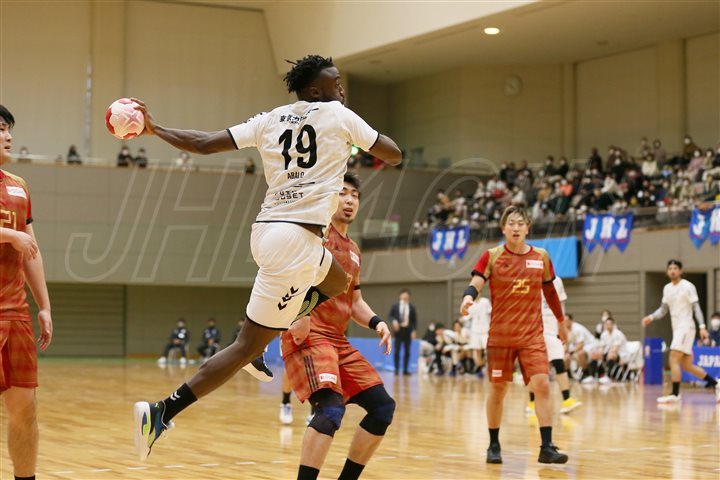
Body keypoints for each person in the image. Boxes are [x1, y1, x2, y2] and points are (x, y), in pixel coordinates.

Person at [132, 54, 402, 461]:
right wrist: (358, 135)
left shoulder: (271, 118)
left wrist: (156, 128)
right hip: (298, 241)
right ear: (316, 90)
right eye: (336, 83)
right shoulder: (339, 114)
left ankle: (164, 411)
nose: (341, 89)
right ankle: (168, 408)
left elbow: (203, 143)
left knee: (335, 282)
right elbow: (394, 153)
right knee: (253, 341)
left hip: (267, 234)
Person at [281, 174, 395, 480]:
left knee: (383, 408)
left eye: (354, 195)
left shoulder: (354, 249)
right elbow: (287, 276)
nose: (349, 200)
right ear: (330, 198)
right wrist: (300, 312)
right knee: (330, 410)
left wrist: (377, 322)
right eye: (342, 193)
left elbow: (354, 300)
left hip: (338, 341)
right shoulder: (315, 234)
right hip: (308, 335)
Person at [459, 205, 568, 464]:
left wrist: (561, 322)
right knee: (498, 390)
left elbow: (550, 292)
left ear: (528, 228)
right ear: (503, 228)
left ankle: (546, 447)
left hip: (532, 336)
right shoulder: (492, 256)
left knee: (542, 385)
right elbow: (476, 281)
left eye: (521, 223)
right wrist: (468, 297)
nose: (516, 227)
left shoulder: (541, 257)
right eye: (511, 223)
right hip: (501, 337)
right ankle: (493, 444)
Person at [0, 104, 54, 480]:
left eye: (9, 129)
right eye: (1, 129)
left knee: (25, 406)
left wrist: (44, 306)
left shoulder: (19, 186)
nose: (9, 136)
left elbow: (31, 250)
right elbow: (18, 239)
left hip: (15, 311)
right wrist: (8, 235)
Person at [642, 260, 719, 403]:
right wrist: (651, 317)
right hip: (677, 329)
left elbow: (696, 307)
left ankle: (675, 394)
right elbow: (663, 309)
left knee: (673, 358)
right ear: (667, 271)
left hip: (686, 327)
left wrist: (702, 326)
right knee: (687, 365)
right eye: (670, 268)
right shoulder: (667, 288)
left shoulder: (688, 286)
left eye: (675, 268)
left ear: (681, 271)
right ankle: (716, 384)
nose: (672, 271)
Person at [528, 277, 582, 414]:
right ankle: (532, 403)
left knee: (559, 365)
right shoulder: (530, 277)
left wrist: (562, 327)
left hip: (553, 332)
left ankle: (567, 400)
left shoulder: (557, 281)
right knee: (535, 369)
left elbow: (561, 306)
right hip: (535, 330)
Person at [388, 288, 417, 375]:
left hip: (408, 331)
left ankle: (405, 369)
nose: (405, 296)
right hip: (398, 331)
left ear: (409, 297)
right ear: (400, 295)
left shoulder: (412, 307)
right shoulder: (395, 306)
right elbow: (390, 316)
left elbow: (414, 321)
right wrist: (394, 321)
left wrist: (413, 331)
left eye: (407, 295)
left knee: (407, 351)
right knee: (397, 350)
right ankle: (396, 369)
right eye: (403, 294)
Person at [565, 314, 597, 380]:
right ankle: (568, 375)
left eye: (566, 320)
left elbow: (581, 344)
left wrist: (570, 353)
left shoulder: (577, 329)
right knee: (565, 356)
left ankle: (585, 373)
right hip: (578, 346)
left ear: (571, 321)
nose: (565, 322)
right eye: (564, 321)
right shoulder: (566, 330)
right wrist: (564, 353)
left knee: (580, 354)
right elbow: (566, 343)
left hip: (590, 345)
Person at [466, 296, 491, 378]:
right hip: (475, 331)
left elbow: (490, 312)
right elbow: (467, 316)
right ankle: (480, 368)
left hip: (485, 330)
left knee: (489, 351)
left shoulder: (485, 301)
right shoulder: (470, 303)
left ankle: (489, 367)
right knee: (477, 351)